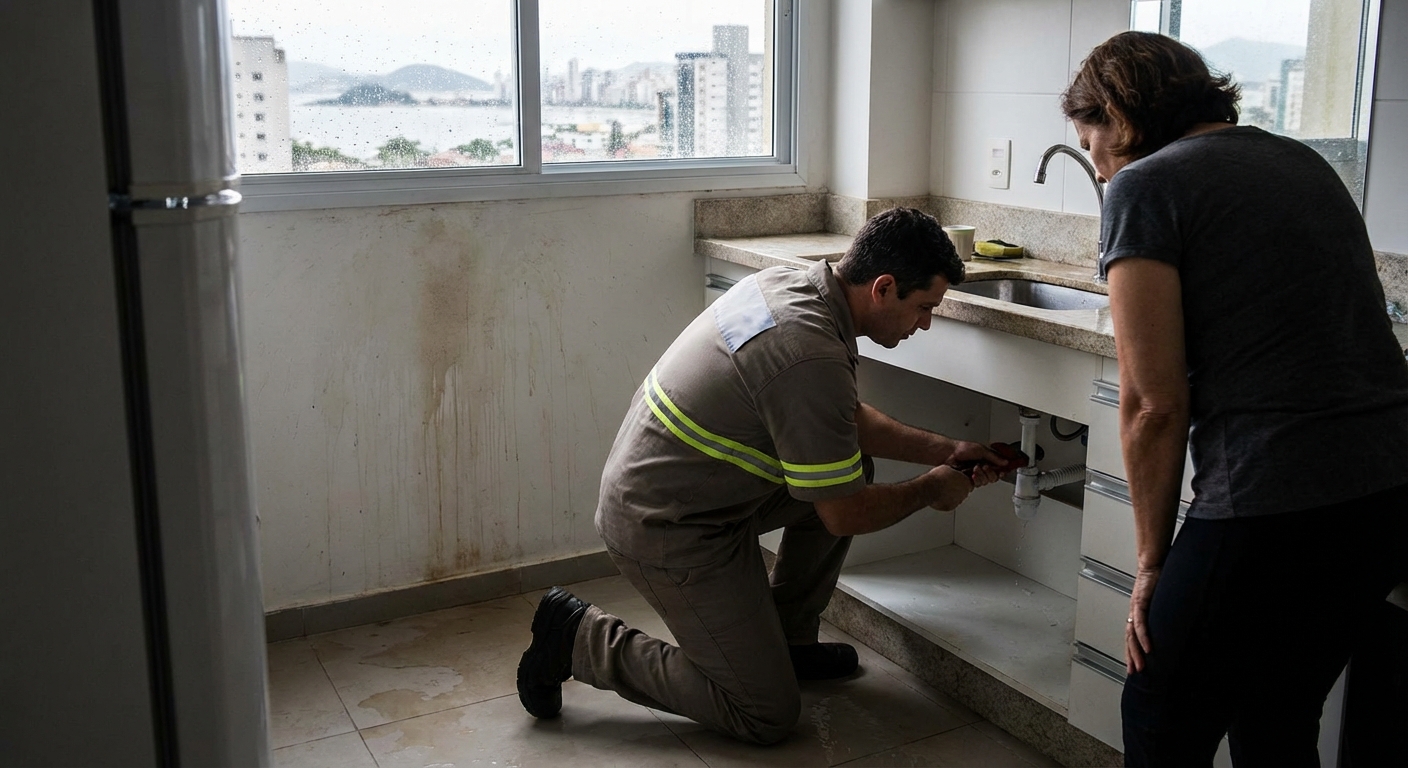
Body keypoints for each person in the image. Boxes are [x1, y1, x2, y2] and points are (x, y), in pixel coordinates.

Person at [515, 207, 1012, 744]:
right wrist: (932, 489)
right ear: (883, 288)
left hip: (682, 495)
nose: (926, 324)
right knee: (763, 712)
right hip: (665, 526)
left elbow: (842, 419)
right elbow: (844, 514)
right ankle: (577, 639)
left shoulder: (794, 289)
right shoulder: (808, 354)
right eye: (924, 308)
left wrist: (948, 449)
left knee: (851, 466)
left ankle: (789, 640)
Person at [1061, 31, 1408, 767]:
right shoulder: (1302, 162)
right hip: (1386, 497)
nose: (1098, 167)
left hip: (1271, 497)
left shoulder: (1145, 185)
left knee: (1160, 715)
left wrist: (1150, 565)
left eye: (1092, 145)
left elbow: (1153, 404)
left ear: (1118, 116)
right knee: (1277, 715)